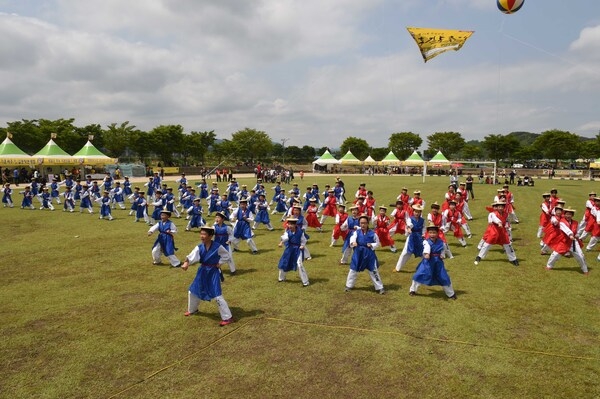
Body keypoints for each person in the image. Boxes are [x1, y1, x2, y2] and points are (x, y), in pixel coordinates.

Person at [181, 225, 234, 326]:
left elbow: (226, 255)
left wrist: (220, 262)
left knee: (217, 295)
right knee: (192, 290)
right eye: (201, 234)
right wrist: (186, 263)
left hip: (213, 272)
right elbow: (191, 256)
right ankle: (193, 310)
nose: (201, 236)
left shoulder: (218, 247)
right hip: (202, 271)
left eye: (204, 234)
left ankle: (228, 317)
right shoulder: (199, 247)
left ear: (210, 236)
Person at [409, 224, 457, 299]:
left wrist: (442, 255)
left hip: (438, 262)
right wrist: (426, 254)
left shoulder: (441, 242)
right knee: (419, 275)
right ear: (428, 233)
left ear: (437, 233)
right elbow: (426, 248)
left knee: (443, 277)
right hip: (427, 262)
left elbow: (443, 249)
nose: (432, 234)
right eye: (430, 232)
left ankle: (451, 294)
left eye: (434, 233)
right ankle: (412, 290)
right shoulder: (426, 242)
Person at [344, 215, 385, 294]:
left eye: (365, 223)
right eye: (361, 223)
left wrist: (372, 245)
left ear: (367, 224)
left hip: (369, 254)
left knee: (373, 270)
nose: (363, 225)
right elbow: (352, 238)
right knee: (353, 269)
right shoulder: (356, 232)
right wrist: (353, 242)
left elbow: (378, 243)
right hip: (358, 253)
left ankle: (380, 287)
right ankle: (349, 285)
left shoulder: (373, 233)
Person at [544, 208, 589, 275]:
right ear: (564, 215)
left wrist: (577, 235)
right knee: (555, 254)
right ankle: (549, 266)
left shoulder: (575, 223)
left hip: (573, 242)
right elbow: (565, 229)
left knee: (580, 255)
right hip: (563, 241)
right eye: (567, 214)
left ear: (572, 215)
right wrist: (570, 234)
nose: (568, 216)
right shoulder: (561, 222)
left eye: (570, 214)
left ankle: (585, 269)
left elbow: (578, 231)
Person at [474, 201, 518, 266]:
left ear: (504, 207)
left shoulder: (506, 214)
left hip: (502, 232)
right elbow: (494, 219)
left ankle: (513, 259)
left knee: (508, 245)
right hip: (494, 231)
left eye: (502, 207)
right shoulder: (493, 213)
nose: (500, 208)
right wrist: (499, 222)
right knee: (487, 244)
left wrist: (506, 225)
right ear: (497, 207)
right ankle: (479, 257)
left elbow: (506, 220)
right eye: (499, 207)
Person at [277, 217, 310, 286]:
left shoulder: (300, 232)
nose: (290, 226)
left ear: (295, 225)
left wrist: (302, 245)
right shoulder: (287, 232)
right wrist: (281, 243)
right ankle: (281, 278)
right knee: (284, 262)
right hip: (289, 249)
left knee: (299, 264)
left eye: (292, 224)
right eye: (289, 224)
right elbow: (285, 238)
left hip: (298, 250)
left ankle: (305, 281)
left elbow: (304, 240)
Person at [394, 204, 425, 272]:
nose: (417, 213)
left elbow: (424, 228)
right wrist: (409, 229)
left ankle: (426, 266)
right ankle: (397, 268)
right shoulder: (410, 219)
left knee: (423, 252)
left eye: (418, 212)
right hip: (411, 237)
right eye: (415, 211)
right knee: (405, 253)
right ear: (413, 212)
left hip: (419, 238)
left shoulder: (422, 220)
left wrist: (423, 234)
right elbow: (409, 225)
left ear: (420, 213)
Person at [213, 211, 237, 276]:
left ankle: (233, 270)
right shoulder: (214, 227)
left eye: (218, 217)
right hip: (217, 245)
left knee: (229, 257)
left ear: (223, 219)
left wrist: (229, 240)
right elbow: (211, 234)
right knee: (215, 257)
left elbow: (231, 235)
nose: (217, 219)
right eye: (216, 217)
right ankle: (216, 268)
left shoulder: (227, 227)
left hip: (225, 244)